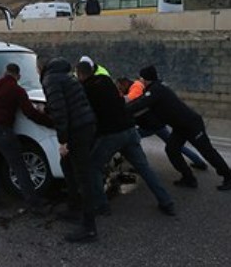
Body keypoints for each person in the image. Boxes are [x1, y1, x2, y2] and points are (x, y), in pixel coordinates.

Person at [75, 62, 175, 217]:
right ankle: (166, 202)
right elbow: (119, 99)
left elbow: (88, 115)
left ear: (80, 74)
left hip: (111, 134)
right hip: (129, 129)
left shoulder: (86, 89)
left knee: (93, 167)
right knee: (144, 168)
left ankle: (102, 206)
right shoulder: (106, 80)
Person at [126, 65, 231, 191]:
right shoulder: (156, 88)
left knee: (208, 151)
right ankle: (188, 178)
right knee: (172, 149)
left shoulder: (156, 90)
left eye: (141, 78)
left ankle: (230, 178)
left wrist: (120, 109)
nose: (140, 81)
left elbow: (140, 104)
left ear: (145, 79)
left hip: (192, 125)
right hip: (180, 127)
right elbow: (140, 101)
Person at [0, 63, 52, 213]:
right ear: (18, 77)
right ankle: (34, 203)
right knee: (18, 166)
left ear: (4, 72)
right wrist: (50, 122)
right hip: (2, 131)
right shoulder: (17, 90)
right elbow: (30, 113)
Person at [37, 55, 98, 243]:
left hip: (78, 130)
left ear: (40, 67)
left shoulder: (51, 79)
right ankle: (74, 208)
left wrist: (63, 142)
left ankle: (89, 228)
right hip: (86, 125)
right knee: (67, 166)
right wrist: (48, 110)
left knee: (82, 175)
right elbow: (67, 103)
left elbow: (61, 112)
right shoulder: (65, 75)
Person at [116, 76, 208, 171]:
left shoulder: (136, 87)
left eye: (120, 87)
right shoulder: (134, 87)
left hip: (150, 125)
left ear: (125, 83)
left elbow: (131, 100)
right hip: (156, 123)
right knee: (176, 146)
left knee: (130, 141)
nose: (120, 89)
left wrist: (119, 101)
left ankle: (141, 166)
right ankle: (199, 162)